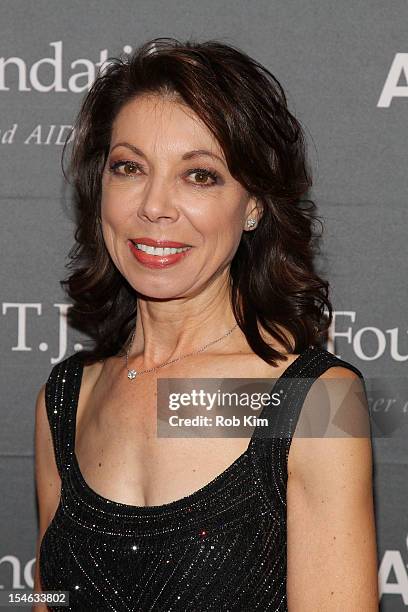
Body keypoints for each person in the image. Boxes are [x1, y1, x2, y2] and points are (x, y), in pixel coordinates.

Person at [33, 37, 379, 611]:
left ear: (253, 204)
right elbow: (41, 598)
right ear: (100, 190)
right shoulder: (65, 400)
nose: (155, 206)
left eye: (200, 176)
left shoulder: (318, 402)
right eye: (129, 168)